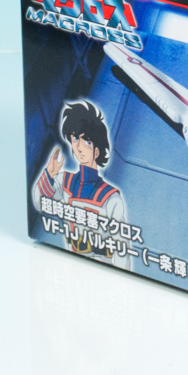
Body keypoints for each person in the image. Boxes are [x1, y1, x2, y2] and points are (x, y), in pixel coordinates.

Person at [33, 101, 130, 269]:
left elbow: (121, 248)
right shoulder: (65, 181)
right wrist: (49, 173)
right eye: (76, 139)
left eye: (87, 141)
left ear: (97, 150)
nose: (79, 146)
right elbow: (39, 202)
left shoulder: (111, 197)